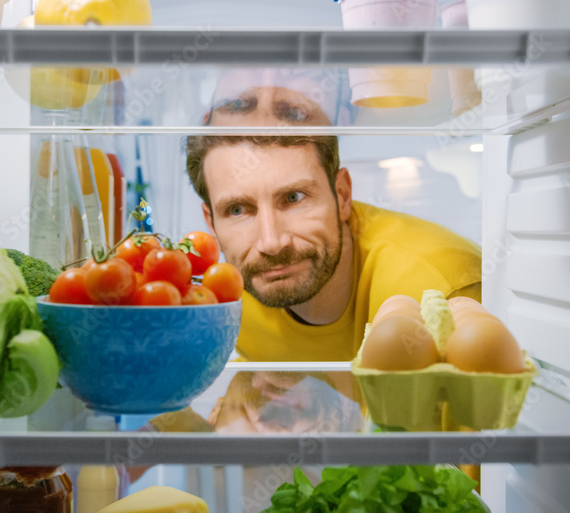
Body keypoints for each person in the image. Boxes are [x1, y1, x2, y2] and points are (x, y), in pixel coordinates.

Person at [185, 69, 483, 362]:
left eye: (293, 198)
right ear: (210, 222)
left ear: (342, 196)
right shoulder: (227, 303)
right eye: (237, 210)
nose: (272, 243)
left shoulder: (444, 289)